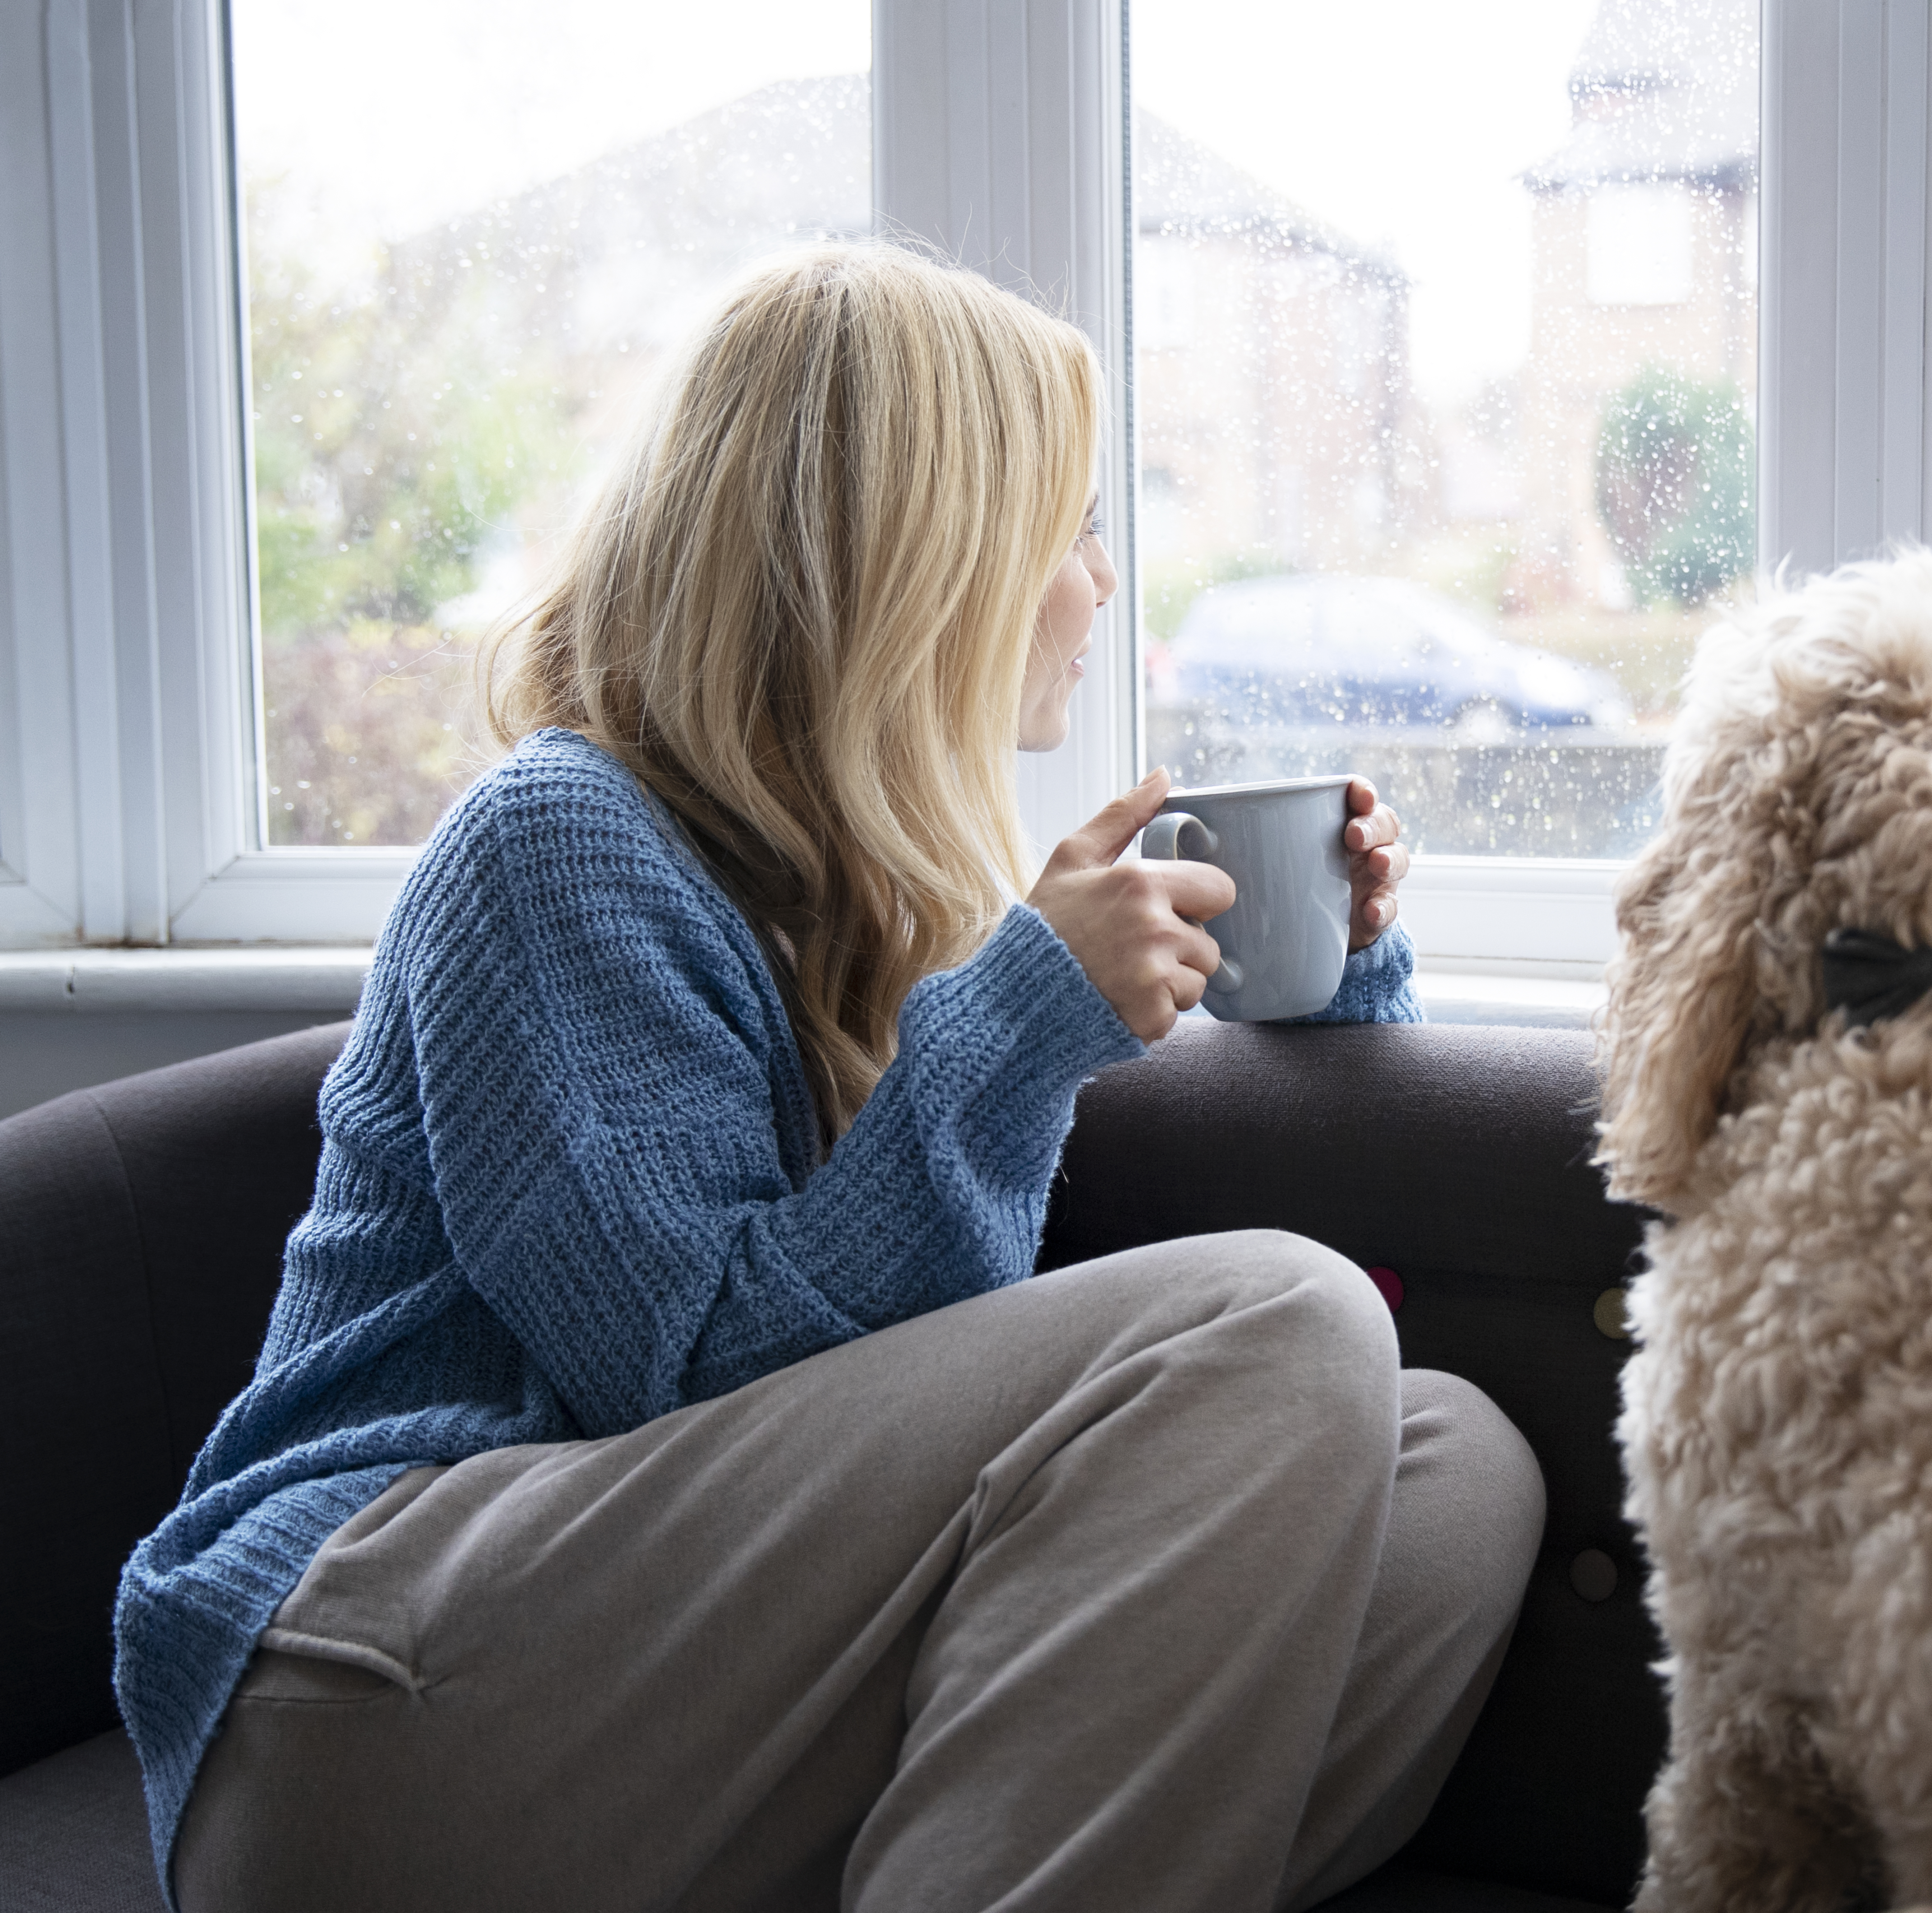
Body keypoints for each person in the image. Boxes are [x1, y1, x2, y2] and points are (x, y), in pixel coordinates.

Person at [117, 242, 1546, 1913]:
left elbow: (916, 1416)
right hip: (358, 1686)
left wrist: (1336, 959)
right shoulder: (556, 843)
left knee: (1450, 1470)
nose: (1102, 581)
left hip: (664, 1672)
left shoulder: (869, 899)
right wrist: (1025, 1021)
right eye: (1072, 526)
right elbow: (687, 1384)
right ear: (925, 558)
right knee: (1285, 1323)